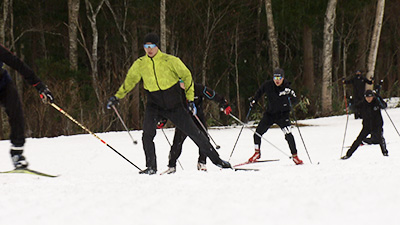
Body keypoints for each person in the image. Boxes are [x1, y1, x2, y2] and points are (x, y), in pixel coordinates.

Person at [106, 33, 231, 175]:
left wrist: (190, 99)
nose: (149, 50)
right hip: (154, 104)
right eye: (146, 47)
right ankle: (151, 167)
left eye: (152, 46)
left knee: (196, 134)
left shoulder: (170, 61)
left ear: (157, 46)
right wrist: (117, 97)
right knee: (147, 134)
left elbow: (187, 76)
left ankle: (218, 161)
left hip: (174, 105)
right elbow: (130, 81)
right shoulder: (140, 64)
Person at [0, 44, 54, 169]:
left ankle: (17, 154)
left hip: (3, 84)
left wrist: (40, 87)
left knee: (16, 113)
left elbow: (18, 64)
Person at [160, 82, 232, 174]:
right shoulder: (176, 91)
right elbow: (169, 107)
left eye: (185, 81)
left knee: (204, 139)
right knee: (177, 142)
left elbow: (212, 94)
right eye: (181, 82)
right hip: (183, 120)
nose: (183, 85)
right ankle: (171, 165)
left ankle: (202, 162)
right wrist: (163, 119)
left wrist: (224, 103)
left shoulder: (198, 88)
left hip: (198, 119)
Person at [248, 68, 303, 165]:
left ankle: (295, 156)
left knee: (288, 135)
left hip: (283, 115)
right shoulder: (268, 85)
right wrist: (254, 100)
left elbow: (295, 100)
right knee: (257, 133)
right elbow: (259, 92)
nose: (277, 80)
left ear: (283, 78)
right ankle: (257, 153)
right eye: (275, 77)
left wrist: (289, 95)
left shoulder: (287, 87)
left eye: (279, 77)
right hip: (270, 114)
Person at [341, 90, 388, 160]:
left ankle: (385, 152)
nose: (369, 99)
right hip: (367, 126)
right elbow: (353, 108)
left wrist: (379, 97)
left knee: (380, 138)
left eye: (370, 97)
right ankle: (348, 154)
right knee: (358, 140)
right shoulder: (363, 103)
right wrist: (350, 102)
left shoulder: (376, 102)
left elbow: (384, 106)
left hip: (377, 125)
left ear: (373, 96)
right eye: (367, 97)